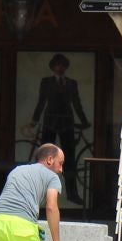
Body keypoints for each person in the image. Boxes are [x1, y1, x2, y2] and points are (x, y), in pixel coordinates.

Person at [30, 54, 90, 202]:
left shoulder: (71, 83)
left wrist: (84, 121)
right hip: (50, 122)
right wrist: (35, 119)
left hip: (66, 122)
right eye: (57, 65)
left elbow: (76, 103)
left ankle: (72, 193)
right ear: (53, 67)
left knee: (69, 159)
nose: (60, 68)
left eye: (62, 65)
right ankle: (40, 192)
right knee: (44, 159)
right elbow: (41, 101)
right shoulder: (47, 82)